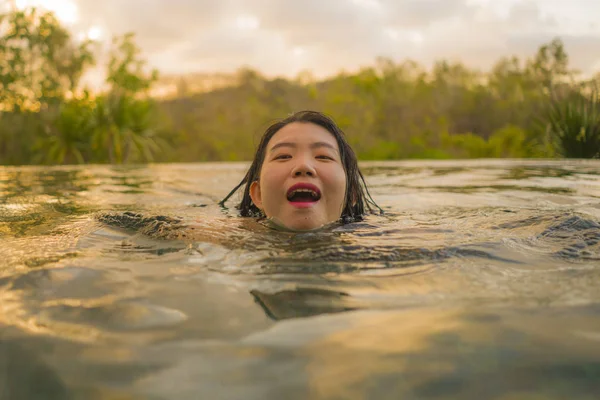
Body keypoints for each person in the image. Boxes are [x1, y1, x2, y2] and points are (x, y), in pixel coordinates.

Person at [220, 110, 382, 231]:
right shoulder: (214, 239)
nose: (303, 166)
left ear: (351, 192)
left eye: (323, 156)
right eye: (283, 156)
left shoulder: (388, 241)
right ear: (258, 194)